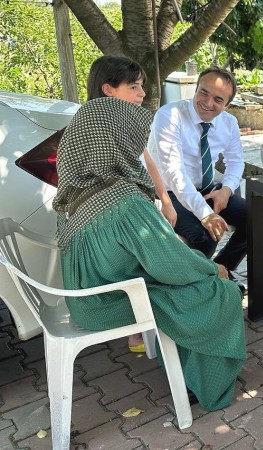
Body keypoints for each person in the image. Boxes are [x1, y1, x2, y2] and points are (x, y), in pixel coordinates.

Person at [53, 95, 247, 411]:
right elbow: (169, 264)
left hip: (88, 296)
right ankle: (205, 384)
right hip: (107, 301)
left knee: (191, 283)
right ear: (116, 142)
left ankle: (187, 368)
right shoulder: (123, 200)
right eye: (131, 136)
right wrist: (215, 269)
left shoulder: (76, 193)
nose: (137, 145)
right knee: (217, 292)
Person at [84, 55, 179, 353]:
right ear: (108, 89)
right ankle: (147, 329)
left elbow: (148, 162)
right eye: (134, 87)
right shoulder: (96, 129)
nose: (142, 94)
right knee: (170, 260)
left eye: (141, 86)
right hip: (117, 222)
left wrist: (166, 201)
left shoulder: (125, 122)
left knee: (174, 251)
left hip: (138, 212)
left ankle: (150, 329)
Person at [148, 67, 254, 294]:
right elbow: (174, 172)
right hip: (169, 193)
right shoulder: (169, 116)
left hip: (206, 189)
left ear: (227, 104)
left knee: (256, 219)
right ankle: (195, 288)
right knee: (205, 237)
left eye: (218, 99)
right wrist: (206, 215)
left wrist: (227, 189)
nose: (208, 102)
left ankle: (220, 271)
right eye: (203, 93)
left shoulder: (229, 122)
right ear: (195, 89)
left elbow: (236, 162)